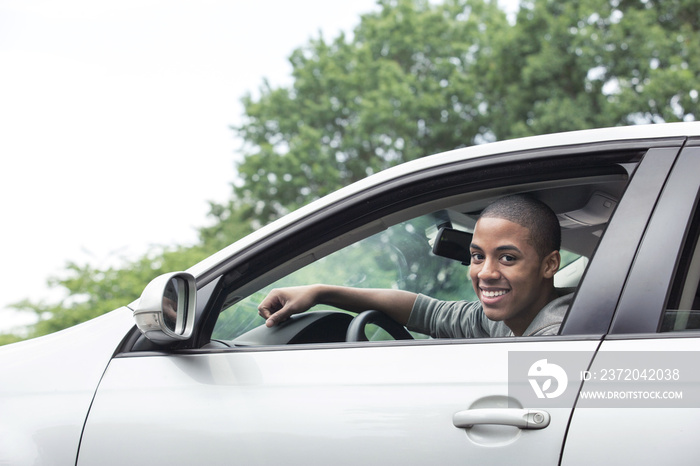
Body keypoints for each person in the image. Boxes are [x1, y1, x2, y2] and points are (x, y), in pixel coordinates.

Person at [258, 195, 572, 337]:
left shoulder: (560, 335)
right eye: (478, 256)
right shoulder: (506, 319)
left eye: (507, 258)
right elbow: (425, 311)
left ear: (549, 265)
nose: (486, 273)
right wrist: (319, 291)